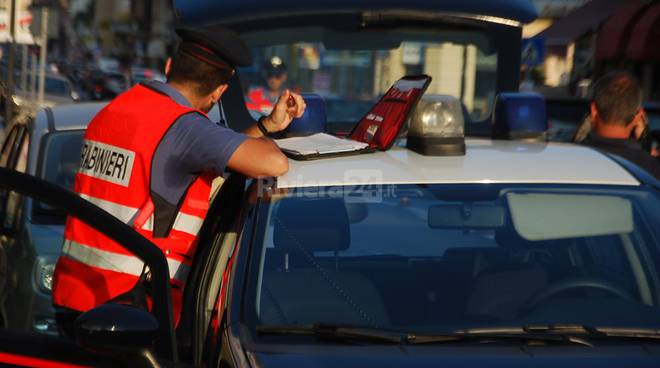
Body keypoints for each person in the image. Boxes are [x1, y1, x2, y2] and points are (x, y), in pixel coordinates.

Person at [51, 26, 306, 335]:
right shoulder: (182, 128)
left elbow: (208, 150)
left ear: (169, 67)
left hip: (75, 299)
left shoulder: (118, 109)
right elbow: (272, 163)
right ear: (219, 92)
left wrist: (266, 125)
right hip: (129, 315)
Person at [581, 72, 660, 179]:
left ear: (594, 110)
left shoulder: (569, 159)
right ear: (638, 116)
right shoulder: (650, 169)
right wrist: (646, 143)